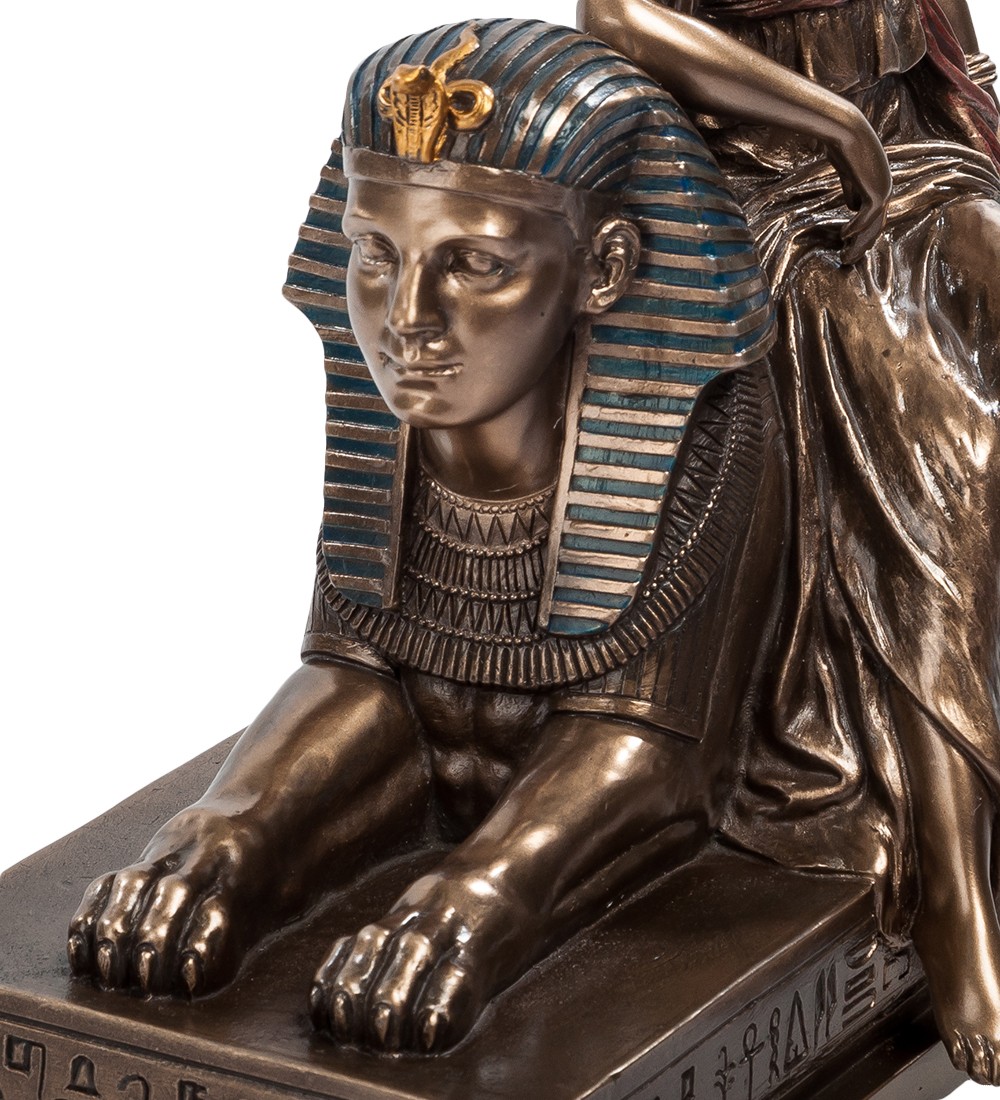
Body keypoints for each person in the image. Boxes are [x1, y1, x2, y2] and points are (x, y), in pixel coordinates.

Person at [65, 19, 891, 1055]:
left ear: (604, 268)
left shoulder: (702, 439)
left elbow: (647, 758)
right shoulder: (402, 419)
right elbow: (364, 671)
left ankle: (956, 861)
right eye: (377, 252)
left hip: (838, 160)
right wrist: (226, 831)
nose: (406, 318)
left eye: (475, 263)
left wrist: (485, 893)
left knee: (929, 414)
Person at [580, 0, 1000, 1084]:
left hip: (908, 139)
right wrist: (831, 123)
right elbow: (614, 15)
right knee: (950, 431)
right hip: (748, 177)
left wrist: (964, 104)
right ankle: (953, 870)